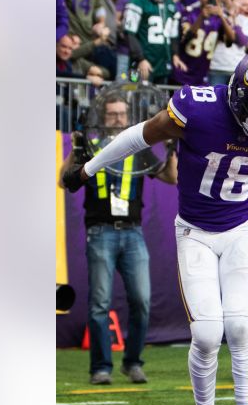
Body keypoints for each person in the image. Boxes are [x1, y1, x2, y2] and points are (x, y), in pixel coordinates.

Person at [59, 50, 248, 405]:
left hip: (241, 228)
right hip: (195, 231)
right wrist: (88, 168)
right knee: (207, 335)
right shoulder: (199, 106)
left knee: (239, 327)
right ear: (239, 91)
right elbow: (140, 135)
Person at [68, 92, 178, 385]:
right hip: (100, 231)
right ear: (102, 118)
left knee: (142, 300)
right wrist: (75, 148)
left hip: (133, 232)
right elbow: (64, 179)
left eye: (121, 114)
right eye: (111, 114)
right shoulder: (90, 146)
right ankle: (101, 367)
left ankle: (132, 362)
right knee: (99, 303)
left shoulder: (137, 148)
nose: (117, 118)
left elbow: (171, 178)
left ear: (128, 118)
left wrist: (171, 149)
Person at [122, 0, 181, 83]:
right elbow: (129, 33)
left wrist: (174, 54)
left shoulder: (170, 5)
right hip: (141, 63)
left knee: (160, 101)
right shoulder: (137, 2)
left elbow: (173, 35)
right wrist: (140, 58)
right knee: (135, 96)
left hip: (163, 63)